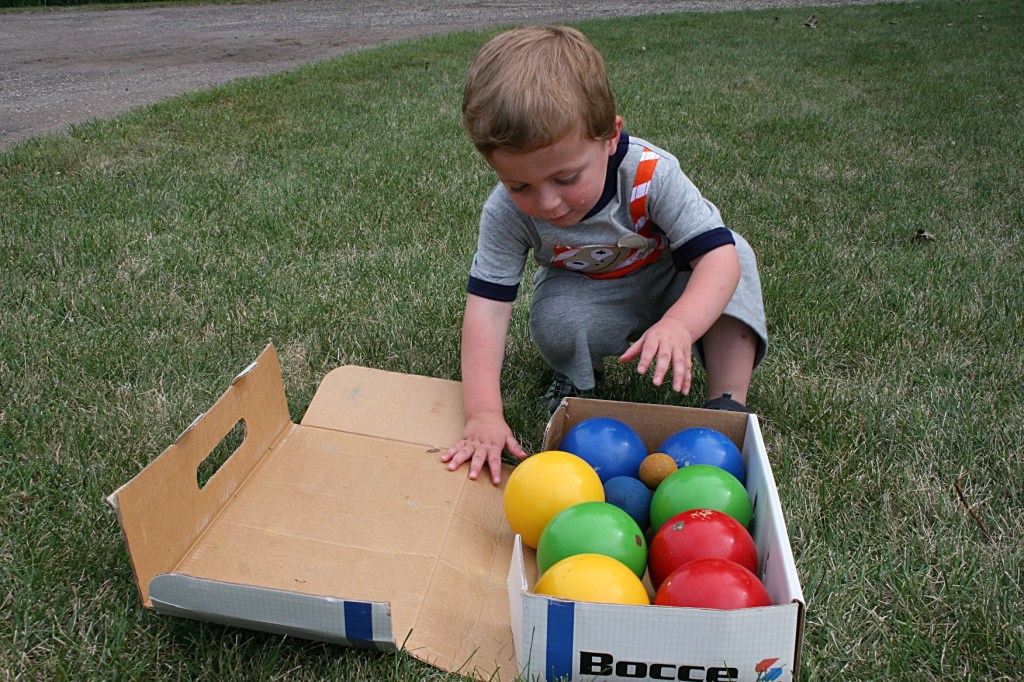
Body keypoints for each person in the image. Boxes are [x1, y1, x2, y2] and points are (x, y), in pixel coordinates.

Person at [441, 25, 767, 485]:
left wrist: (679, 324)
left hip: (673, 279)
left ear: (610, 136)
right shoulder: (504, 214)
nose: (548, 203)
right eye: (519, 185)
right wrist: (483, 414)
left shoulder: (650, 174)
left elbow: (717, 260)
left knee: (736, 255)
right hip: (590, 289)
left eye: (566, 178)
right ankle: (579, 377)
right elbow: (487, 310)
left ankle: (727, 405)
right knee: (556, 318)